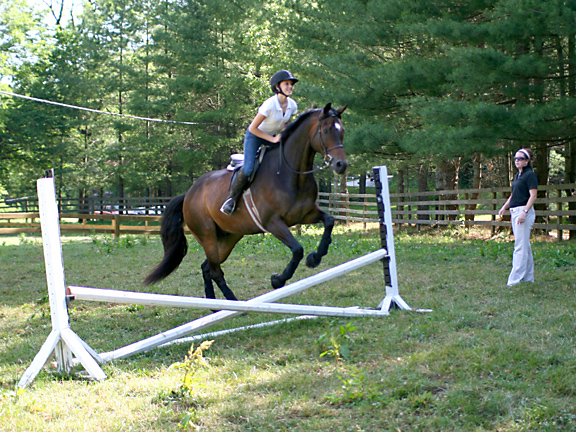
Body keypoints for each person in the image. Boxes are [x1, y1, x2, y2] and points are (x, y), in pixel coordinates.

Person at [220, 70, 299, 215]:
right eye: (286, 84)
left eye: (291, 84)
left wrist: (283, 133)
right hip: (255, 136)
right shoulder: (269, 105)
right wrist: (273, 139)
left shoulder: (292, 105)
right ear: (277, 87)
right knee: (249, 168)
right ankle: (231, 200)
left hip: (272, 135)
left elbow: (285, 122)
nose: (290, 87)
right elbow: (253, 128)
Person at [498, 148, 538, 287]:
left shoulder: (530, 175)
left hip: (523, 211)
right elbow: (513, 194)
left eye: (520, 158)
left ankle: (514, 280)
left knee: (519, 246)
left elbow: (533, 196)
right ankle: (528, 278)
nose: (517, 161)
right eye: (515, 158)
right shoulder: (517, 176)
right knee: (524, 245)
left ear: (527, 161)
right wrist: (504, 207)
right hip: (515, 210)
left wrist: (524, 212)